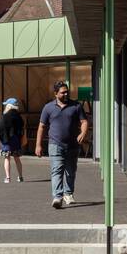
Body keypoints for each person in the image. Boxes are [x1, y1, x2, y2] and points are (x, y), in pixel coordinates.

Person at [35, 80, 89, 209]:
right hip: (55, 144)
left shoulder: (76, 106)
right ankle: (57, 197)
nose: (65, 94)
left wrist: (83, 133)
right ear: (55, 94)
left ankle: (68, 194)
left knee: (70, 171)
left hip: (72, 145)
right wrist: (38, 145)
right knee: (57, 170)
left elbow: (84, 121)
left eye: (67, 92)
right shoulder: (48, 108)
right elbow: (41, 127)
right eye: (62, 92)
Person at [0, 98, 25, 184]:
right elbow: (21, 127)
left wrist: (1, 137)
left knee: (7, 158)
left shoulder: (5, 116)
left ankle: (8, 178)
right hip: (16, 139)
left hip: (6, 140)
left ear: (9, 106)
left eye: (6, 105)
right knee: (17, 158)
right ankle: (20, 176)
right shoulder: (19, 117)